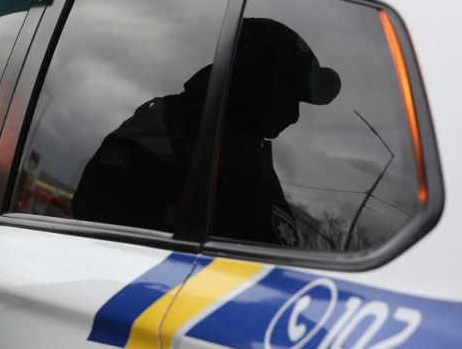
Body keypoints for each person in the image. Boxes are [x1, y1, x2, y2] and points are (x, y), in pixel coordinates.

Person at [72, 17, 340, 246]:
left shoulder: (155, 120)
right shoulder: (234, 157)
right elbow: (273, 269)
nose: (295, 116)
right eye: (290, 97)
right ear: (262, 80)